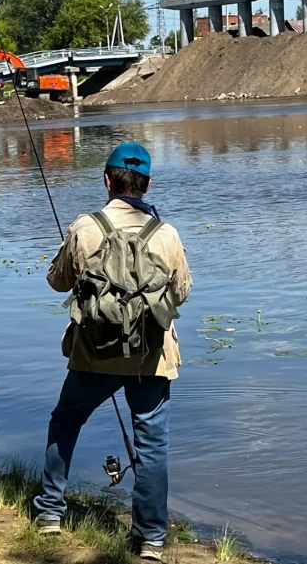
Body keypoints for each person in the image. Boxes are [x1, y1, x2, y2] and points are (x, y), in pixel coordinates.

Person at [34, 142, 192, 562]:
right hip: (151, 358)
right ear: (148, 183)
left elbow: (56, 282)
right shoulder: (167, 233)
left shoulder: (85, 227)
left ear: (107, 180)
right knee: (152, 444)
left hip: (93, 354)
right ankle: (151, 539)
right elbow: (182, 293)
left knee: (66, 421)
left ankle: (50, 513)